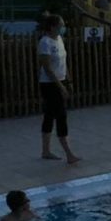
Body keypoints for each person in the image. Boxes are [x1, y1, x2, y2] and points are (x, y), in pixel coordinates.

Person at [38, 15, 80, 164]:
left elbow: (63, 62)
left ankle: (45, 150)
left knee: (49, 115)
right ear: (52, 27)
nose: (63, 28)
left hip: (61, 80)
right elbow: (47, 68)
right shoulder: (45, 42)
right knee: (61, 116)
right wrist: (60, 87)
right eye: (60, 25)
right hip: (49, 84)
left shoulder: (59, 40)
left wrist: (68, 80)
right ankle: (69, 153)